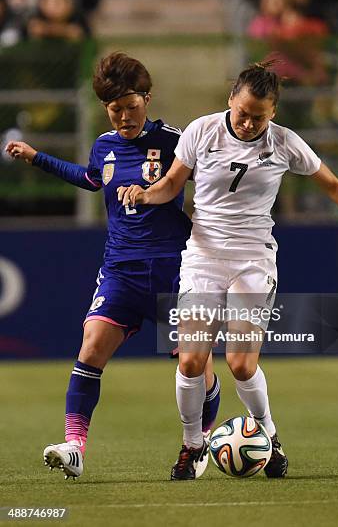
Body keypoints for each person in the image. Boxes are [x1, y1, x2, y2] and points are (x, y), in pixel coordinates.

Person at [118, 60, 338, 480]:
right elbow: (174, 184)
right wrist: (145, 193)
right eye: (243, 112)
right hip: (203, 257)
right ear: (231, 99)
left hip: (253, 259)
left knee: (241, 365)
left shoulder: (285, 144)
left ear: (274, 113)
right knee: (191, 362)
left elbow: (333, 185)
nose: (248, 123)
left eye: (259, 117)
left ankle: (269, 434)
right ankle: (192, 446)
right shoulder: (202, 131)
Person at [5, 51, 220, 480]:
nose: (124, 117)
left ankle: (198, 443)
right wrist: (36, 157)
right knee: (90, 348)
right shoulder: (104, 146)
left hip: (176, 270)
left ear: (148, 98)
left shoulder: (176, 141)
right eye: (115, 109)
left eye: (131, 107)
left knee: (194, 365)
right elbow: (90, 178)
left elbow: (212, 178)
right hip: (121, 268)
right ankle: (74, 446)